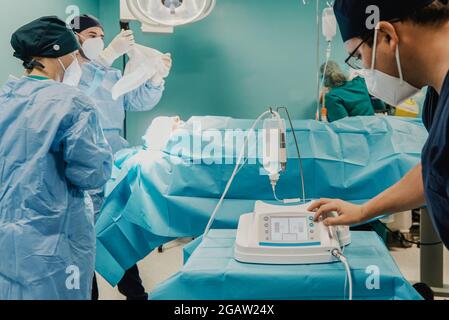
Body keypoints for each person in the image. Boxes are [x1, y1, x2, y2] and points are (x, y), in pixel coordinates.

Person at [310, 0, 449, 252]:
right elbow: (434, 169)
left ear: (386, 36)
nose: (363, 69)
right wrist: (364, 210)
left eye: (359, 56)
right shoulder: (437, 98)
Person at [0, 16, 113, 300]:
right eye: (74, 53)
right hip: (53, 239)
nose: (76, 60)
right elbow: (91, 174)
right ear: (57, 53)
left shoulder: (4, 97)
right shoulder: (72, 103)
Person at [70, 14, 171, 300]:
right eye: (91, 35)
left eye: (102, 35)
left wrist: (154, 78)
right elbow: (78, 95)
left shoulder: (112, 75)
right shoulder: (70, 73)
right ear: (73, 38)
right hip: (83, 167)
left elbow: (136, 101)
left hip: (113, 164)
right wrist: (106, 56)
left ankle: (136, 294)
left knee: (116, 234)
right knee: (83, 242)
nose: (99, 40)